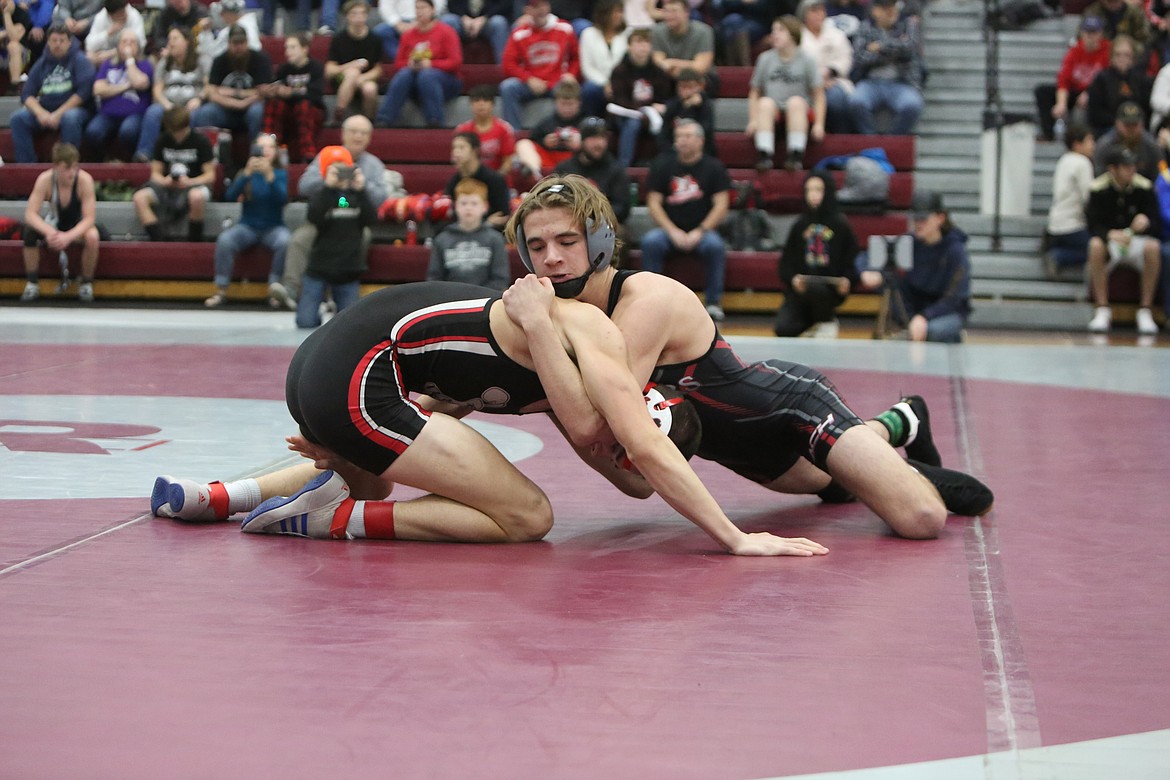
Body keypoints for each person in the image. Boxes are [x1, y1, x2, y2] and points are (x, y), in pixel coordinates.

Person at [153, 276, 829, 557]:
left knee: (377, 477)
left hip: (333, 365)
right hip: (354, 373)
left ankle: (218, 495)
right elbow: (644, 460)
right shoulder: (588, 348)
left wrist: (343, 432)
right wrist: (737, 537)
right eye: (630, 434)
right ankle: (327, 517)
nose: (625, 445)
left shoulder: (576, 395)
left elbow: (636, 478)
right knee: (528, 518)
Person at [503, 174, 993, 542]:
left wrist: (537, 377)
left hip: (794, 409)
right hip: (763, 463)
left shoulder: (646, 301)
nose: (551, 259)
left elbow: (591, 422)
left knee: (921, 517)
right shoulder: (563, 325)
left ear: (601, 243)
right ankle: (897, 422)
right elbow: (637, 486)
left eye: (567, 242)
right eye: (538, 246)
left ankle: (885, 450)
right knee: (835, 484)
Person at [282, 115, 393, 301]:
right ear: (343, 134)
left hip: (354, 223)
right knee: (299, 240)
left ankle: (344, 286)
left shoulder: (373, 165)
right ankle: (291, 288)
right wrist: (328, 180)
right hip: (324, 219)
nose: (358, 136)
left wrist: (362, 185)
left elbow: (381, 198)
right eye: (353, 132)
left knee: (364, 236)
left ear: (370, 138)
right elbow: (303, 186)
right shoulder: (326, 156)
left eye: (363, 133)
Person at [639, 118, 730, 321]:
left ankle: (714, 302)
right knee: (651, 242)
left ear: (700, 140)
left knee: (715, 246)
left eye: (687, 136)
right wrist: (672, 230)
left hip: (702, 230)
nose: (682, 141)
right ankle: (650, 299)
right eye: (679, 136)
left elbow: (721, 205)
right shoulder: (662, 165)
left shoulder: (714, 167)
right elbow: (653, 203)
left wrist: (700, 230)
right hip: (670, 230)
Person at [861, 190, 972, 343]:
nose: (918, 224)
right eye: (915, 219)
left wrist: (924, 317)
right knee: (889, 281)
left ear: (940, 218)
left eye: (924, 219)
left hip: (945, 312)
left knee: (935, 331)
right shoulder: (909, 243)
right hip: (912, 311)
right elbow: (866, 255)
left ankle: (951, 336)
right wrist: (869, 271)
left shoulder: (955, 251)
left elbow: (954, 298)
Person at [206, 133, 293, 309]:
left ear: (275, 151)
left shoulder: (280, 174)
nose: (266, 151)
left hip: (274, 227)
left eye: (270, 147)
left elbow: (282, 199)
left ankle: (275, 287)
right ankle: (221, 289)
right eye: (262, 147)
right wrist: (245, 175)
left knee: (285, 241)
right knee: (225, 240)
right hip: (248, 226)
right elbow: (229, 196)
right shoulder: (246, 173)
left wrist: (270, 177)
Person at [296, 145, 378, 329]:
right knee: (305, 322)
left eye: (344, 168)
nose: (341, 174)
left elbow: (371, 219)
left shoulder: (357, 196)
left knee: (348, 326)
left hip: (348, 269)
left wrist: (361, 190)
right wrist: (328, 188)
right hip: (319, 267)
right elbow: (314, 217)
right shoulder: (320, 195)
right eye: (336, 169)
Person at [1085, 146, 1162, 334]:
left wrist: (1147, 223)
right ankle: (1102, 308)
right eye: (1126, 167)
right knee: (1095, 245)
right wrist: (1109, 234)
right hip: (1112, 242)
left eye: (1133, 166)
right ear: (1113, 169)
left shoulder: (1144, 187)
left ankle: (1145, 310)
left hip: (1135, 241)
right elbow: (1092, 224)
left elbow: (1156, 222)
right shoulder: (1098, 189)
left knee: (1153, 247)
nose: (1131, 171)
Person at [773, 171, 858, 338]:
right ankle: (815, 322)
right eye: (809, 190)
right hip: (801, 292)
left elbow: (852, 261)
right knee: (783, 329)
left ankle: (827, 320)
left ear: (828, 192)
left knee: (817, 290)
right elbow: (786, 263)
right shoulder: (799, 225)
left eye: (818, 190)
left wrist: (848, 280)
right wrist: (793, 279)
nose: (813, 195)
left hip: (828, 291)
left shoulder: (841, 225)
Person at [20, 142, 100, 303]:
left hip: (76, 226)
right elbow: (30, 214)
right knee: (29, 233)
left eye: (75, 167)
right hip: (54, 225)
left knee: (93, 236)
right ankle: (32, 282)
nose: (72, 173)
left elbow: (89, 218)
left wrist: (68, 237)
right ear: (56, 167)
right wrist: (50, 232)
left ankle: (86, 283)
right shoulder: (45, 179)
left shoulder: (84, 180)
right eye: (67, 168)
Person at [747, 15, 824, 173]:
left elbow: (818, 94)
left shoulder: (807, 60)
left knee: (795, 102)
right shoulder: (765, 59)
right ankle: (764, 154)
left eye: (781, 30)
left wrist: (819, 124)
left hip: (799, 113)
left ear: (793, 34)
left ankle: (795, 154)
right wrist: (753, 120)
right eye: (773, 30)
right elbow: (755, 92)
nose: (775, 34)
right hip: (773, 114)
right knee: (765, 102)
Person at [10, 24, 94, 163]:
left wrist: (58, 114)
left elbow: (84, 92)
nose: (57, 44)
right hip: (46, 109)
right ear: (48, 42)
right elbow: (27, 94)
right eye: (54, 41)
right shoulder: (42, 63)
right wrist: (40, 113)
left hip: (75, 110)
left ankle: (68, 164)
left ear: (69, 42)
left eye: (61, 41)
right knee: (17, 119)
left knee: (70, 118)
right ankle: (27, 166)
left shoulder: (80, 60)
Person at [133, 105, 216, 242]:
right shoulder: (162, 140)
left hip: (194, 185)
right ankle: (159, 240)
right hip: (168, 186)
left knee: (196, 196)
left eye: (180, 131)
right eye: (174, 131)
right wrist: (166, 181)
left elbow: (210, 176)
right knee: (139, 197)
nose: (177, 135)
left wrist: (190, 182)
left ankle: (194, 242)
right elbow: (155, 174)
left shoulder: (201, 141)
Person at [375, 0, 463, 128]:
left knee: (426, 75)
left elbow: (455, 62)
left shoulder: (446, 31)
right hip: (415, 79)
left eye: (423, 8)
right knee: (404, 73)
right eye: (417, 8)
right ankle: (384, 119)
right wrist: (410, 64)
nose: (420, 11)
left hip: (446, 81)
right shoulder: (408, 35)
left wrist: (431, 64)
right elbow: (399, 63)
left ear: (433, 10)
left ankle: (435, 120)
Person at [499, 0, 580, 131]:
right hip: (532, 82)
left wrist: (571, 74)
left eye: (544, 5)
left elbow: (575, 57)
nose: (541, 10)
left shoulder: (565, 28)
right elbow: (508, 64)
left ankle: (566, 132)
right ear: (527, 11)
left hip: (557, 81)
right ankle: (514, 133)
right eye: (536, 7)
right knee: (508, 88)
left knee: (569, 89)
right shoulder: (519, 33)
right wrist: (528, 79)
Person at [847, 0, 924, 136]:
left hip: (901, 82)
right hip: (870, 82)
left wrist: (880, 46)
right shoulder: (865, 28)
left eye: (892, 7)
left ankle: (892, 139)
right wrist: (895, 50)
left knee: (913, 105)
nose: (891, 11)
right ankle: (871, 139)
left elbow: (909, 48)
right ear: (875, 11)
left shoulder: (907, 25)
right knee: (856, 102)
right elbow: (860, 57)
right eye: (885, 8)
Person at [192, 24, 273, 146]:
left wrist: (236, 95)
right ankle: (208, 155)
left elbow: (264, 92)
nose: (238, 47)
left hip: (251, 107)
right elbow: (212, 93)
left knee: (257, 112)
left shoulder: (260, 59)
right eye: (235, 43)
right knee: (204, 113)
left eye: (242, 43)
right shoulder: (219, 60)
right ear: (228, 43)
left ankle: (256, 153)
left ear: (247, 42)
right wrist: (238, 102)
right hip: (224, 109)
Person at [1034, 15, 1110, 143]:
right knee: (1042, 91)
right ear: (1082, 33)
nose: (1090, 37)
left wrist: (1090, 93)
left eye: (1094, 32)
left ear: (1101, 34)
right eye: (1087, 32)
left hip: (1097, 94)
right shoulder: (1075, 51)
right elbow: (1063, 79)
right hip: (1075, 91)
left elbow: (1108, 77)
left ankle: (1084, 139)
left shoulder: (1108, 50)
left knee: (1085, 106)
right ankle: (1048, 134)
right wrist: (1061, 103)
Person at [606, 26, 672, 168]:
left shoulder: (659, 72)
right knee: (632, 123)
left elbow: (663, 97)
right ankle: (623, 166)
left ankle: (664, 165)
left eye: (646, 42)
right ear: (629, 46)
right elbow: (619, 101)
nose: (643, 46)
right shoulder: (619, 71)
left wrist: (657, 108)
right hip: (625, 114)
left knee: (664, 122)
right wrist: (642, 111)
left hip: (651, 114)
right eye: (638, 42)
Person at [427, 177, 510, 288]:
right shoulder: (442, 240)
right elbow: (434, 278)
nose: (468, 208)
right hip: (451, 300)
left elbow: (500, 278)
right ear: (455, 206)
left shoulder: (495, 239)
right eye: (464, 203)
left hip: (486, 299)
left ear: (485, 207)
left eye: (474, 203)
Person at [83, 28, 152, 161]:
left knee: (128, 131)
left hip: (135, 114)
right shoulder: (108, 65)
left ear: (138, 47)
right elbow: (98, 90)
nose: (128, 45)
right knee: (93, 132)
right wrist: (126, 86)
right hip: (107, 114)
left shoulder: (144, 64)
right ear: (117, 46)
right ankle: (103, 162)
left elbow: (140, 83)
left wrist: (129, 61)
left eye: (132, 43)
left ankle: (133, 164)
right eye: (124, 42)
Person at [138, 26, 204, 164]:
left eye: (175, 39)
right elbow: (157, 89)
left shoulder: (200, 59)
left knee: (193, 115)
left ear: (187, 41)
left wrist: (199, 98)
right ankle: (144, 154)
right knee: (153, 112)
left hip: (191, 104)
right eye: (169, 39)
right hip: (168, 104)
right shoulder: (164, 62)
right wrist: (166, 104)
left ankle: (189, 157)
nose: (170, 43)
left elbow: (209, 85)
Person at [261, 31, 326, 165]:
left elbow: (316, 95)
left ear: (304, 49)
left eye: (292, 47)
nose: (288, 52)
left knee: (303, 106)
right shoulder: (284, 69)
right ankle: (270, 145)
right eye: (286, 48)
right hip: (289, 111)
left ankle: (308, 153)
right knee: (273, 103)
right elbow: (277, 85)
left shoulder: (316, 67)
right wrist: (274, 91)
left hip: (312, 110)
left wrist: (292, 93)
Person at [554, 115, 632, 226]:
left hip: (604, 224)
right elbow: (553, 199)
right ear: (582, 141)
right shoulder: (564, 169)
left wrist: (591, 215)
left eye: (602, 138)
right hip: (568, 223)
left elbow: (622, 209)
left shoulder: (616, 170)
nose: (598, 143)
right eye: (593, 138)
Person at [1044, 122, 1096, 276]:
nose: (1093, 145)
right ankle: (1059, 256)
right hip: (1072, 225)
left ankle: (1056, 250)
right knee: (1100, 251)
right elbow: (1088, 197)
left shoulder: (1064, 160)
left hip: (1054, 223)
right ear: (1077, 144)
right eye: (1090, 141)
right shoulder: (1082, 163)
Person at [511, 79, 588, 180]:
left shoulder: (586, 122)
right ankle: (536, 174)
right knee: (523, 143)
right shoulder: (548, 122)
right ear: (556, 103)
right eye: (563, 104)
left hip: (576, 161)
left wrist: (581, 144)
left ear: (579, 103)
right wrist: (545, 142)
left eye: (570, 104)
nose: (566, 109)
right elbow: (533, 137)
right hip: (549, 160)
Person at [799, 0, 854, 135]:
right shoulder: (797, 36)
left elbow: (846, 59)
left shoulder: (837, 34)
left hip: (833, 81)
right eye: (814, 11)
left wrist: (829, 72)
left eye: (822, 11)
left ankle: (840, 137)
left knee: (836, 100)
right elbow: (792, 61)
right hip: (803, 83)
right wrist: (816, 79)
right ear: (804, 14)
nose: (819, 15)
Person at [326, 0, 383, 124]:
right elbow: (330, 70)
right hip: (343, 79)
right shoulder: (339, 39)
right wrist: (350, 66)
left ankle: (370, 121)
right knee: (352, 72)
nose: (359, 18)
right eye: (354, 14)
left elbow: (378, 69)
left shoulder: (375, 39)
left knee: (370, 89)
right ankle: (339, 113)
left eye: (362, 14)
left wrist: (362, 78)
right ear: (347, 16)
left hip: (366, 79)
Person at [1085, 34, 1150, 138]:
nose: (1122, 58)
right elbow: (1095, 113)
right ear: (1111, 56)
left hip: (1137, 127)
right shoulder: (1101, 79)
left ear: (1133, 57)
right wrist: (1119, 123)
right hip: (1108, 128)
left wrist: (1134, 124)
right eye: (1118, 54)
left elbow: (1146, 108)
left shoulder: (1140, 79)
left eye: (1126, 55)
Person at [650, 0, 717, 97]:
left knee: (702, 82)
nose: (670, 15)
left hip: (700, 77)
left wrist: (672, 63)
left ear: (686, 13)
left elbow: (700, 67)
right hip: (669, 77)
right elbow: (658, 63)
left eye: (674, 11)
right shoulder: (657, 31)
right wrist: (682, 67)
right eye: (666, 11)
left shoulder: (704, 32)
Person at [446, 131, 511, 228]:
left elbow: (502, 216)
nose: (456, 152)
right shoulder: (453, 183)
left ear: (475, 150)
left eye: (461, 147)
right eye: (454, 148)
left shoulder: (494, 179)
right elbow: (454, 215)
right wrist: (486, 222)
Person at [578, 0, 629, 118]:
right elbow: (587, 67)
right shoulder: (588, 34)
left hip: (622, 82)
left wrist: (616, 84)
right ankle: (590, 121)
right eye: (615, 12)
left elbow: (629, 64)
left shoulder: (628, 33)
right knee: (589, 89)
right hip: (599, 83)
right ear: (605, 13)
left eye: (621, 12)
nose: (619, 16)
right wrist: (605, 84)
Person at [453, 84, 517, 171]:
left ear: (493, 104)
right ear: (471, 104)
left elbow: (508, 161)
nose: (481, 104)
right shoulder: (462, 130)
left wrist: (495, 180)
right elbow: (458, 161)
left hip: (498, 179)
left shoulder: (504, 128)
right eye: (476, 100)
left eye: (486, 100)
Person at [1092, 100, 1161, 179]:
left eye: (1134, 125)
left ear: (1142, 124)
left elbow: (1160, 176)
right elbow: (1098, 176)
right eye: (1127, 125)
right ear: (1117, 123)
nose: (1131, 129)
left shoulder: (1151, 146)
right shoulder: (1104, 146)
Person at [657, 65, 716, 157]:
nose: (686, 91)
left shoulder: (705, 105)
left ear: (699, 87)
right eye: (682, 87)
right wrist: (686, 107)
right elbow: (664, 133)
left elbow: (706, 132)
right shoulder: (673, 104)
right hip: (674, 151)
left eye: (690, 87)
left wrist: (689, 109)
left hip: (701, 153)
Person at [196, 0, 262, 77]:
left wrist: (206, 33)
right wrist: (206, 33)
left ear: (230, 13)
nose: (221, 16)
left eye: (223, 13)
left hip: (238, 71)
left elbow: (213, 54)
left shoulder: (242, 30)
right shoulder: (238, 27)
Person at [441, 0, 510, 64]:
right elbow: (452, 5)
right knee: (448, 20)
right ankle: (445, 64)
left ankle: (503, 66)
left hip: (487, 20)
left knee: (499, 22)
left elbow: (503, 5)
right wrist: (463, 17)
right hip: (463, 21)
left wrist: (484, 18)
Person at [718, 0, 780, 66]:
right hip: (734, 24)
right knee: (731, 21)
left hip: (759, 24)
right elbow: (725, 5)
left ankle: (739, 65)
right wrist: (743, 2)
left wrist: (772, 32)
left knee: (738, 28)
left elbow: (775, 9)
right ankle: (736, 66)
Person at [83, 0, 144, 66]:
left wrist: (111, 54)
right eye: (120, 13)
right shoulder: (101, 17)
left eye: (124, 11)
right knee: (89, 57)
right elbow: (89, 45)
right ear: (109, 15)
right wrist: (109, 32)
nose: (124, 14)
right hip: (103, 56)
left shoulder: (134, 15)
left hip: (127, 55)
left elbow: (141, 44)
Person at [1, 0, 33, 95]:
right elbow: (12, 33)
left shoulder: (21, 14)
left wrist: (6, 14)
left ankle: (14, 86)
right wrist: (7, 32)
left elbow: (13, 38)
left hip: (21, 55)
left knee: (13, 45)